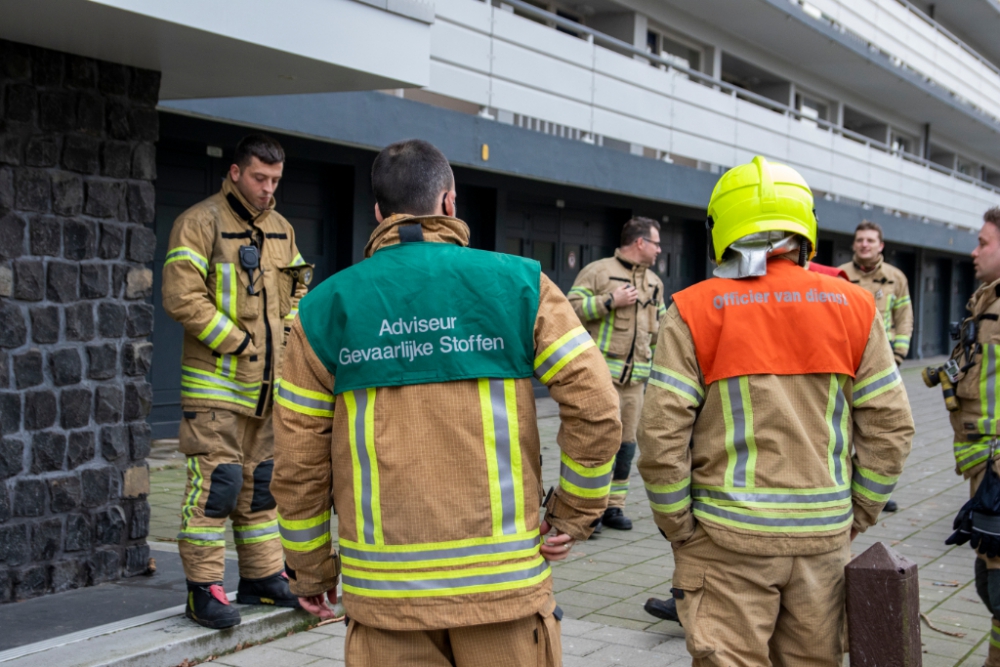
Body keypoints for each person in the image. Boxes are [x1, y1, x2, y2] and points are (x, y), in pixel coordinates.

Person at [271, 139, 621, 666]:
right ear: (450, 202)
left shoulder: (324, 308)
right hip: (503, 590)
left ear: (377, 213)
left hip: (387, 601)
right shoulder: (521, 285)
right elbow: (596, 407)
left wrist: (312, 568)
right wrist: (572, 513)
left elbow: (298, 463)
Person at [637, 155, 914, 666]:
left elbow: (660, 436)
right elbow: (891, 426)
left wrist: (678, 524)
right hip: (824, 541)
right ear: (802, 227)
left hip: (726, 539)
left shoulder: (695, 309)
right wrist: (860, 513)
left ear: (723, 227)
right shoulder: (855, 307)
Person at [162, 134, 310, 628]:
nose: (268, 189)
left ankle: (263, 578)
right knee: (217, 488)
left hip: (267, 391)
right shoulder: (198, 223)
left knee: (260, 489)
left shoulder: (282, 228)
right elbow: (182, 298)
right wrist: (241, 343)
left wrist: (290, 347)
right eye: (259, 178)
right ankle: (202, 590)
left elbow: (297, 294)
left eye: (275, 181)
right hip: (216, 389)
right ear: (234, 172)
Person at [567, 217, 666, 531]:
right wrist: (611, 300)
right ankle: (587, 512)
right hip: (600, 378)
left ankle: (614, 508)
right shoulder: (598, 271)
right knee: (596, 444)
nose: (660, 250)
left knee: (626, 447)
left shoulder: (654, 283)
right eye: (656, 243)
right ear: (640, 243)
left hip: (636, 381)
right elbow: (569, 309)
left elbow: (662, 329)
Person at [938, 207, 1000, 667]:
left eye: (983, 242)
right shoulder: (987, 302)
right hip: (983, 464)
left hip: (997, 465)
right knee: (990, 577)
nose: (974, 250)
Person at [840, 221, 912, 513]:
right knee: (846, 426)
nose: (864, 245)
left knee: (882, 428)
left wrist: (898, 357)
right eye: (860, 240)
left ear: (880, 245)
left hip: (884, 366)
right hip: (848, 363)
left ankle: (875, 493)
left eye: (870, 240)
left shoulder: (896, 278)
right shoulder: (841, 275)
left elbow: (904, 316)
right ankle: (846, 487)